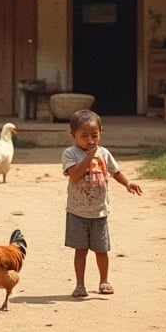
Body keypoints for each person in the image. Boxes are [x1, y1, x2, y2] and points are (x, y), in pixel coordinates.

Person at [62, 107, 142, 298]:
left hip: (99, 212)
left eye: (94, 135)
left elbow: (115, 172)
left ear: (100, 133)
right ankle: (80, 284)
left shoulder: (104, 153)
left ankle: (104, 280)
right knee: (80, 251)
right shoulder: (70, 154)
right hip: (77, 212)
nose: (90, 141)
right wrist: (89, 157)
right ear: (73, 136)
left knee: (101, 250)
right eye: (84, 136)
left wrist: (127, 183)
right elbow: (74, 175)